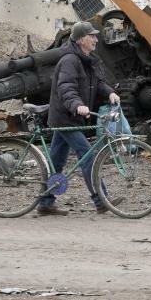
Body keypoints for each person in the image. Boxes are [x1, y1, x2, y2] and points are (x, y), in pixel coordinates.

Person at [38, 21, 121, 216]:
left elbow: (98, 83)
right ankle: (101, 201)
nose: (95, 39)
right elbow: (66, 88)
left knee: (56, 161)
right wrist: (77, 105)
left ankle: (46, 203)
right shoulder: (70, 60)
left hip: (71, 116)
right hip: (65, 116)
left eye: (95, 36)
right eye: (91, 36)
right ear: (81, 40)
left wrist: (109, 93)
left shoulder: (86, 59)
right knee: (87, 155)